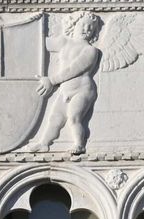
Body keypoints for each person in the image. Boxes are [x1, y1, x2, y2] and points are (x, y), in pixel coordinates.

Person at [26, 11, 103, 154]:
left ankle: (79, 145)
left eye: (91, 28)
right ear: (74, 24)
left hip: (83, 90)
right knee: (55, 118)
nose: (87, 29)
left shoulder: (91, 51)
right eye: (83, 25)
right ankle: (43, 144)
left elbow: (74, 69)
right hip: (65, 90)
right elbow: (40, 41)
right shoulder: (64, 42)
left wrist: (51, 80)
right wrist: (33, 24)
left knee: (73, 117)